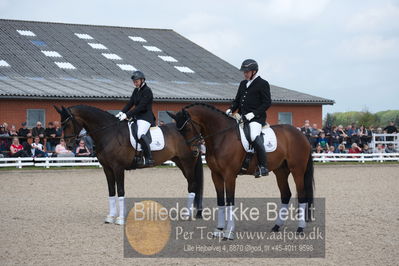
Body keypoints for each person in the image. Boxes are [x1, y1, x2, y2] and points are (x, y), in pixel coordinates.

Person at [225, 59, 272, 177]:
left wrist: (253, 114)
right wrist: (231, 109)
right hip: (241, 117)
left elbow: (267, 103)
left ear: (254, 71)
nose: (245, 74)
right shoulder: (242, 84)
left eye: (247, 71)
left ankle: (263, 166)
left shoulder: (263, 83)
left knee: (253, 136)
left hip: (256, 118)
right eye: (244, 72)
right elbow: (237, 100)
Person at [116, 70, 156, 166]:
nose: (135, 83)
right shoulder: (136, 90)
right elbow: (130, 103)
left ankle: (149, 158)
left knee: (140, 134)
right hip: (137, 117)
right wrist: (122, 112)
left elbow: (140, 106)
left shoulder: (147, 91)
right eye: (134, 81)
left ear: (142, 80)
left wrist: (127, 115)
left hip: (146, 117)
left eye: (136, 81)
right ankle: (136, 155)